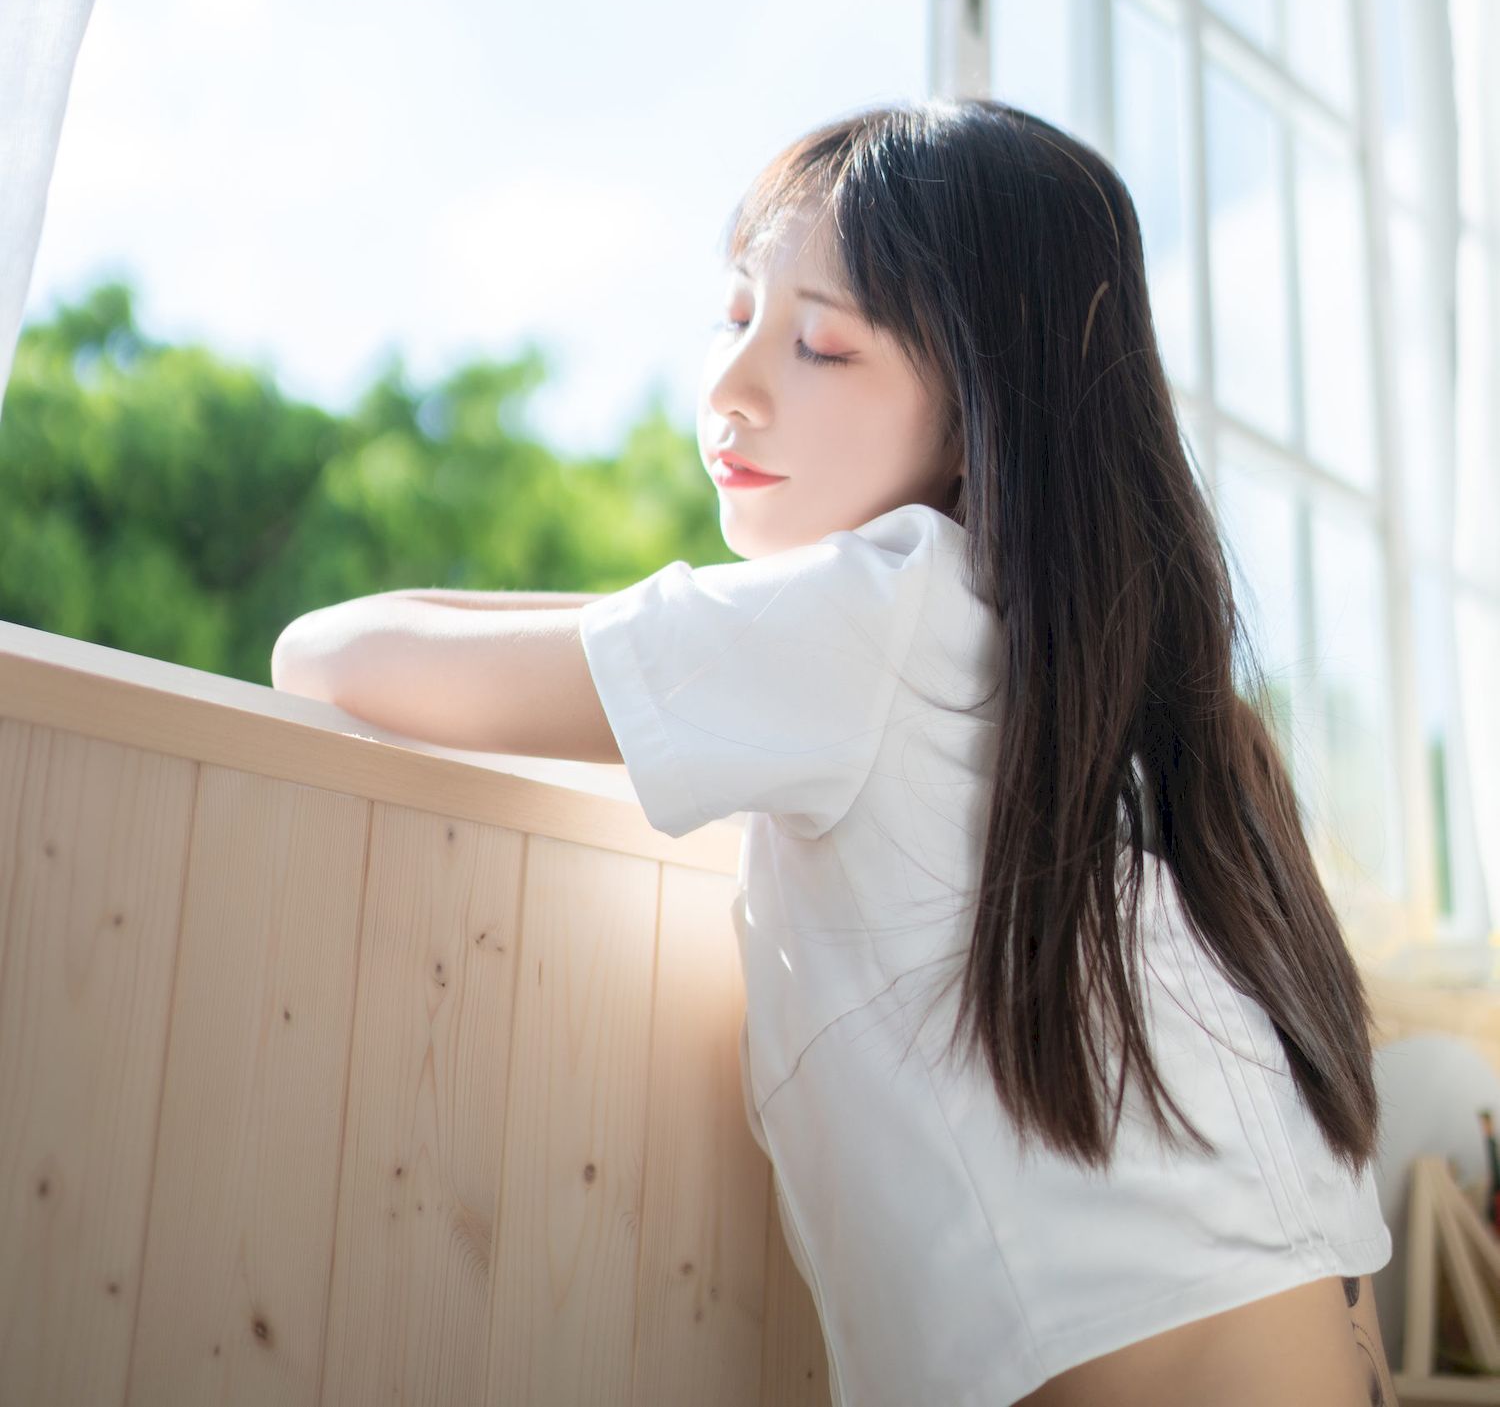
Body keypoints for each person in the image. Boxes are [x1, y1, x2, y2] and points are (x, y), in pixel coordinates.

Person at [274, 96, 1398, 1406]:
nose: (732, 383)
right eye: (735, 310)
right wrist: (652, 626)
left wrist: (649, 622)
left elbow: (331, 652)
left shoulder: (885, 604)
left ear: (982, 416)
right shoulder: (1185, 725)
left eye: (819, 343)